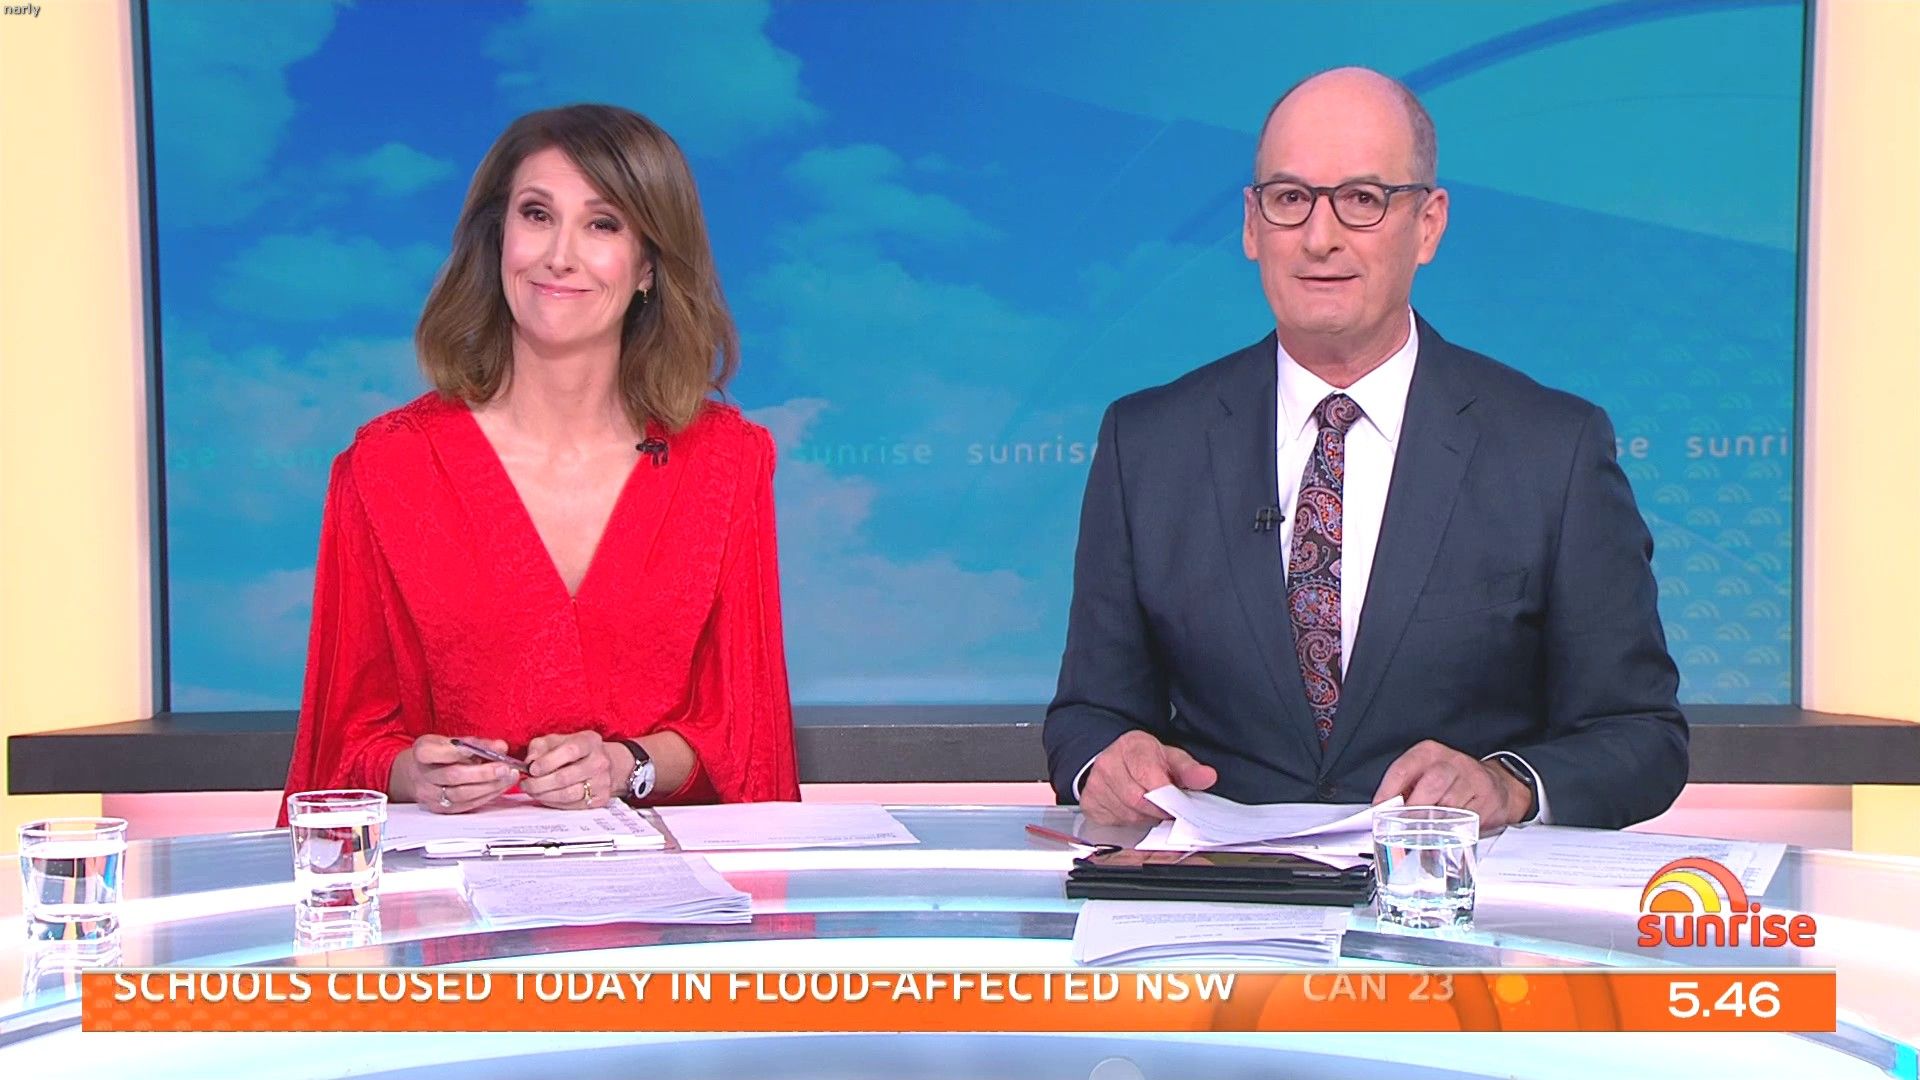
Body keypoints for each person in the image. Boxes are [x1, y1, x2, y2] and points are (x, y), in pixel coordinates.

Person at [1044, 67, 1687, 831]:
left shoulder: (1553, 449)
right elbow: (1089, 713)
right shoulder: (1147, 443)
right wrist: (1107, 762)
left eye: (1362, 199)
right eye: (1290, 199)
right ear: (1251, 225)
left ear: (1429, 224)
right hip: (1219, 891)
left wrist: (1508, 785)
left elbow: (1641, 735)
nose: (1320, 238)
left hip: (1453, 891)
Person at [280, 104, 798, 819]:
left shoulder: (727, 463)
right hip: (454, 877)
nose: (560, 255)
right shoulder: (385, 466)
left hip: (660, 877)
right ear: (498, 239)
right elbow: (340, 746)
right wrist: (412, 774)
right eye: (537, 214)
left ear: (648, 267)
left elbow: (744, 734)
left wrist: (626, 764)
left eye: (602, 224)